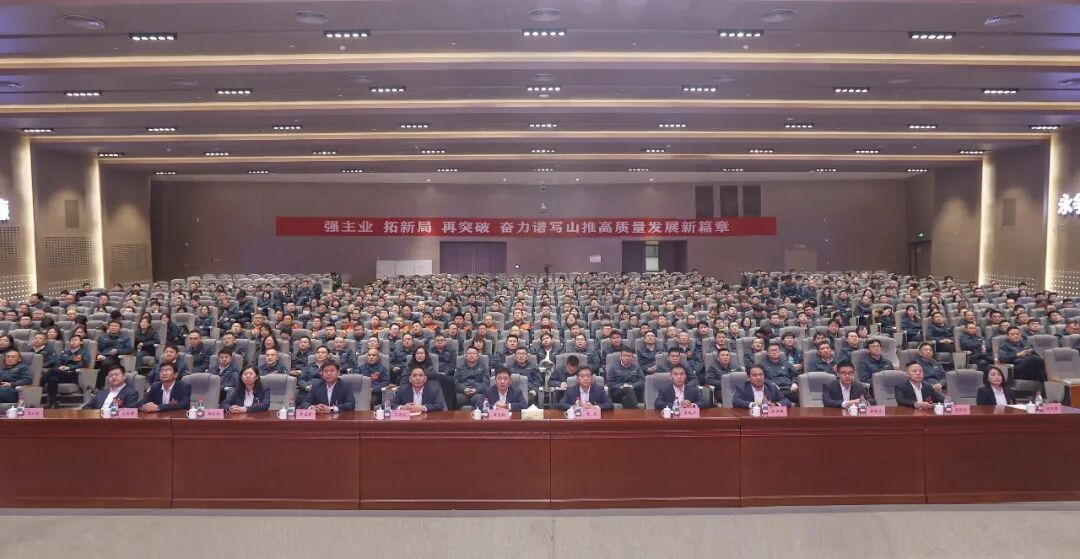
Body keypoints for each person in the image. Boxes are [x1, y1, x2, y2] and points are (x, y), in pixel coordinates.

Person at [43, 333, 91, 408]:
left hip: (75, 374)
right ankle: (53, 403)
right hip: (62, 373)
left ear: (81, 342)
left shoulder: (84, 352)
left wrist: (69, 368)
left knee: (52, 371)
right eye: (72, 340)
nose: (73, 342)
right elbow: (57, 362)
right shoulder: (66, 353)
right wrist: (60, 367)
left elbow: (85, 364)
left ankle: (40, 384)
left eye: (75, 340)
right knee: (52, 378)